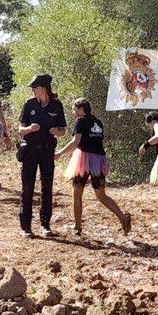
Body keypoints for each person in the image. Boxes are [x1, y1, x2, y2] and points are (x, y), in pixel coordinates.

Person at [55, 98, 131, 236]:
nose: (73, 113)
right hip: (99, 159)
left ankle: (77, 226)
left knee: (77, 193)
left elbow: (76, 142)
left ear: (79, 108)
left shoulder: (80, 121)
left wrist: (60, 153)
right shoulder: (98, 122)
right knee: (101, 195)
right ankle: (121, 216)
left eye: (74, 109)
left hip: (83, 159)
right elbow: (99, 141)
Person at [16, 74, 66, 237]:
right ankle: (26, 227)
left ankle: (45, 225)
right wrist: (30, 128)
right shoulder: (29, 104)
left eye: (35, 87)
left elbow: (63, 131)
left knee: (47, 187)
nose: (33, 90)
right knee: (28, 187)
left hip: (47, 151)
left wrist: (56, 132)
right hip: (30, 150)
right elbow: (20, 130)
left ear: (44, 89)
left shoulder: (57, 106)